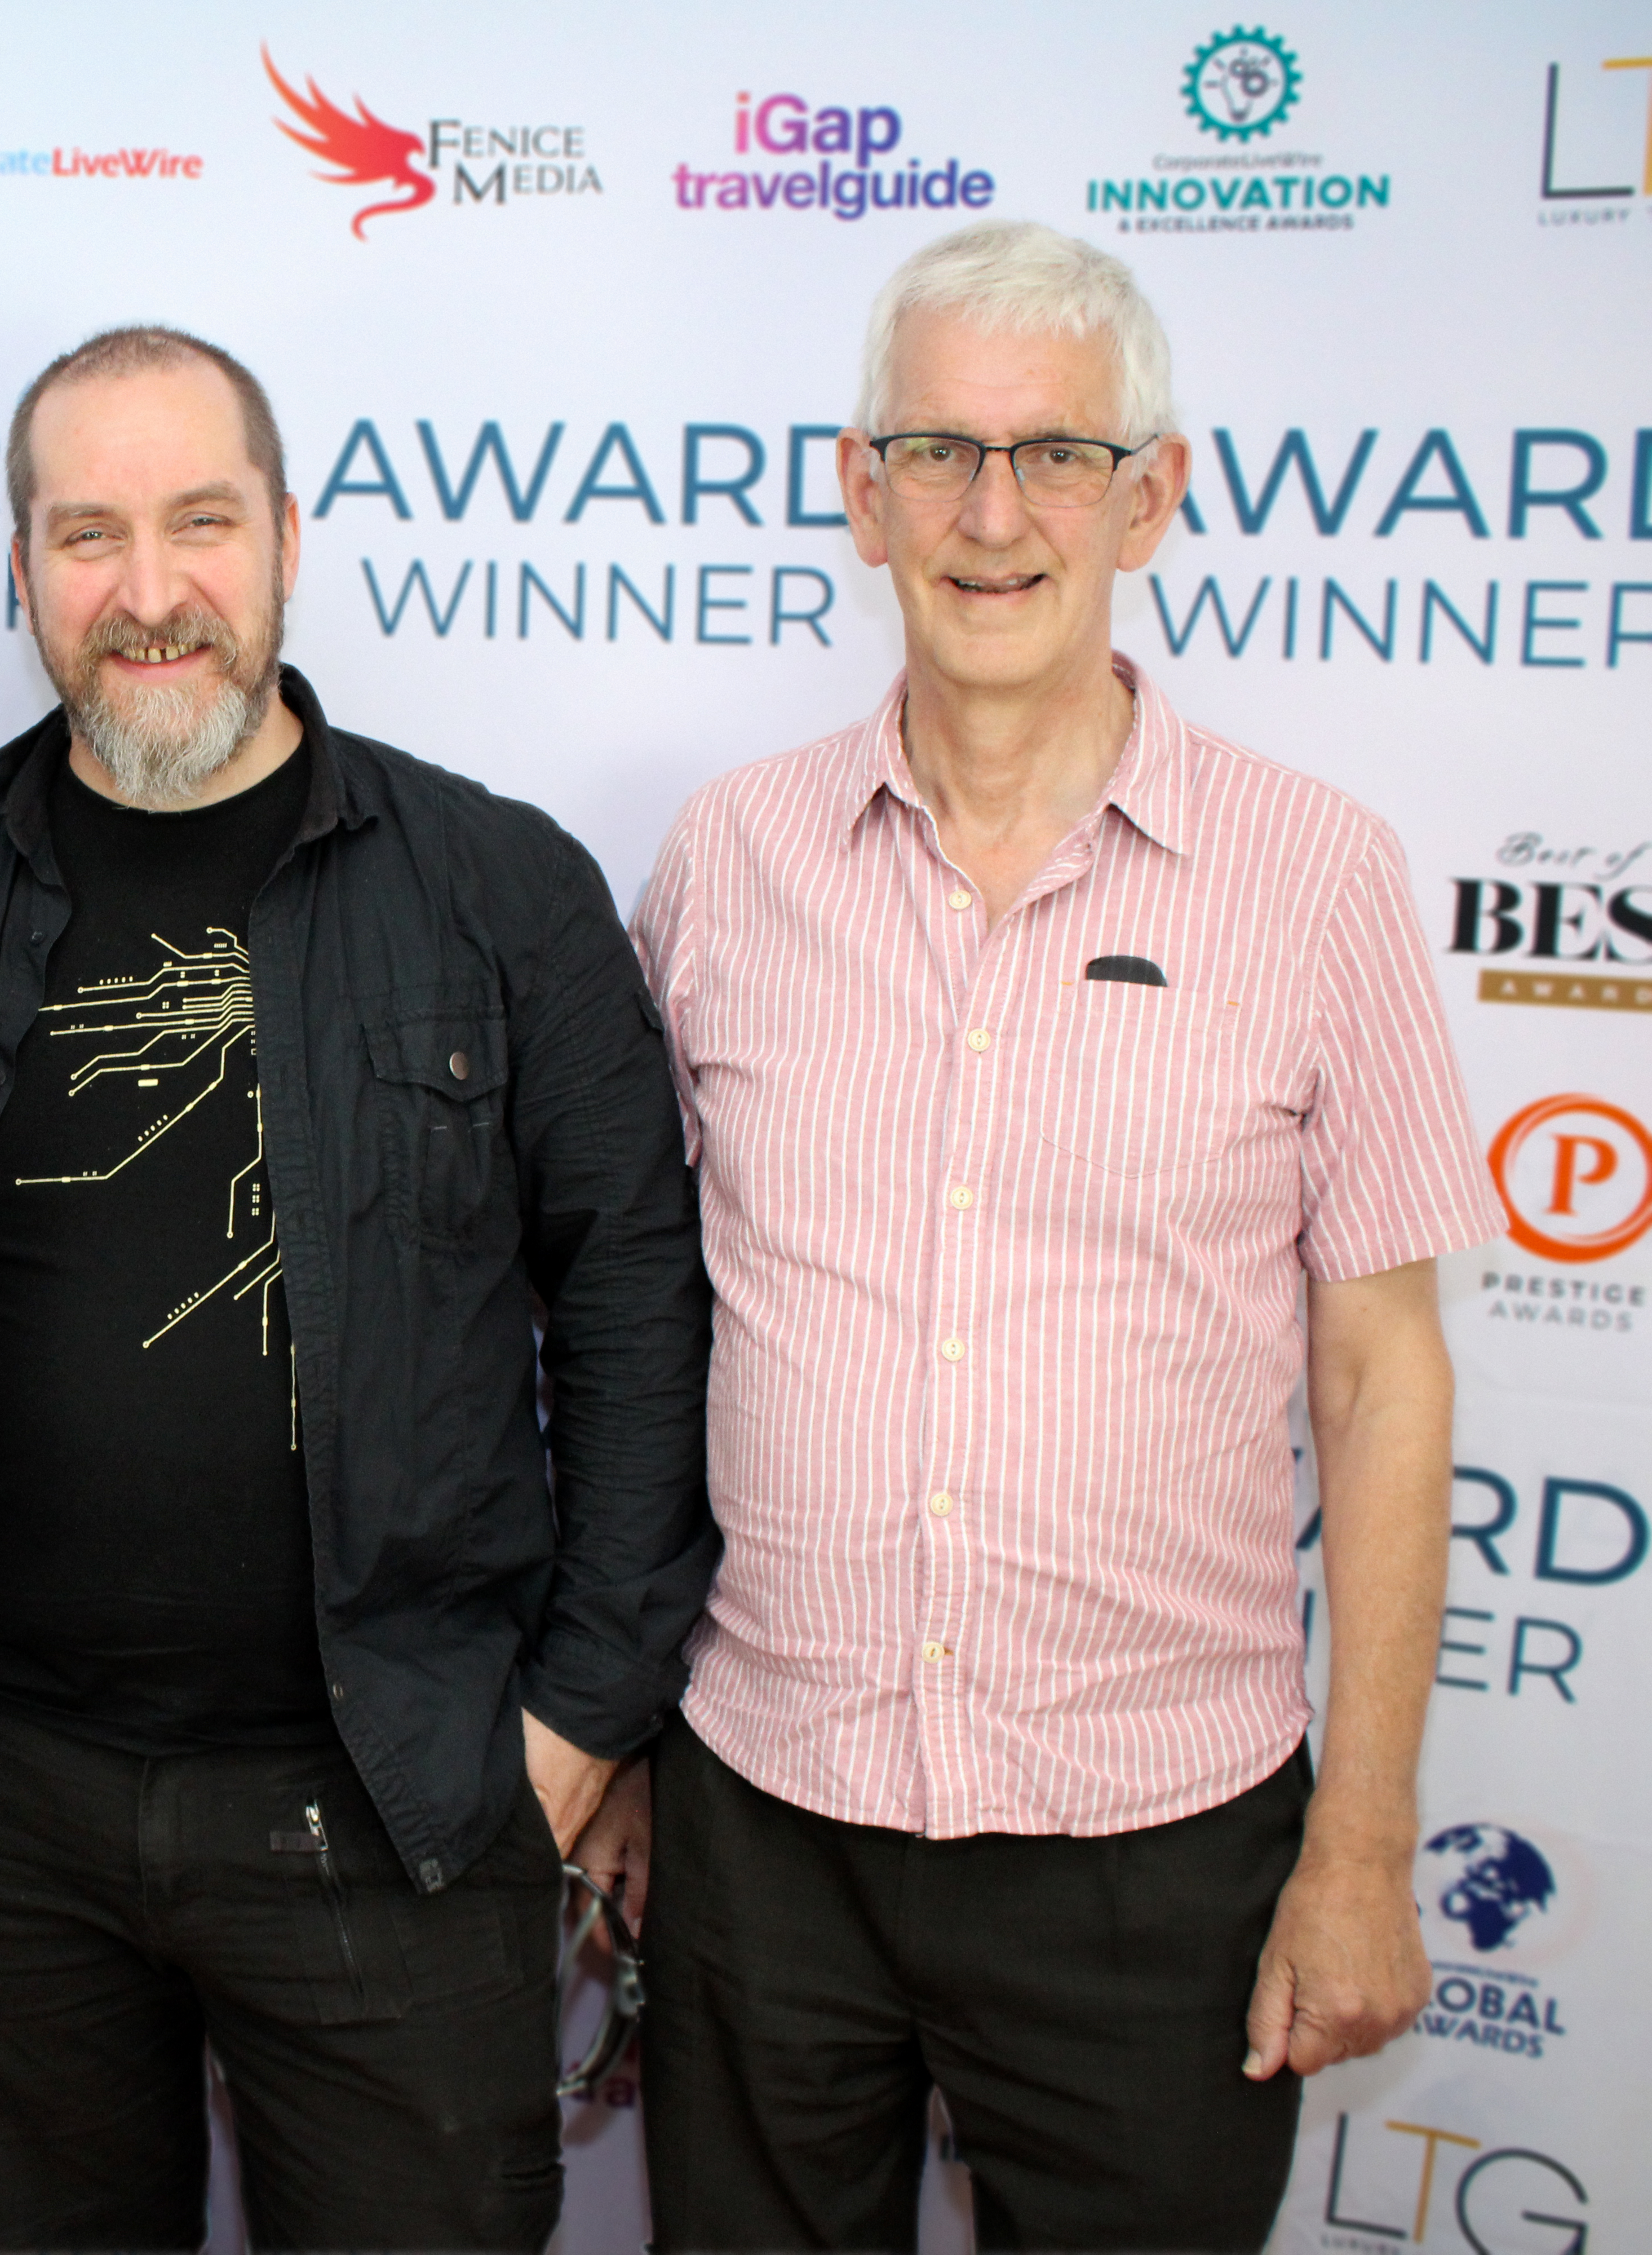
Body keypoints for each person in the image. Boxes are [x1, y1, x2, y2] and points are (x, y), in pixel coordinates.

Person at [623, 220, 1503, 2250]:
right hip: (768, 1815)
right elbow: (642, 1320)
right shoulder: (730, 862)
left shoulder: (1316, 878)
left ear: (1154, 495)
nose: (993, 514)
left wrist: (1362, 1840)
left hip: (1160, 1852)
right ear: (858, 493)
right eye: (936, 450)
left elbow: (1381, 1377)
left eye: (1056, 456)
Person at [0, 326, 716, 2249]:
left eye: (201, 522)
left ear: (290, 535)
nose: (150, 593)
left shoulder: (497, 887)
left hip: (398, 1794)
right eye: (90, 535)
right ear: (23, 566)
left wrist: (577, 1719)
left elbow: (637, 1294)